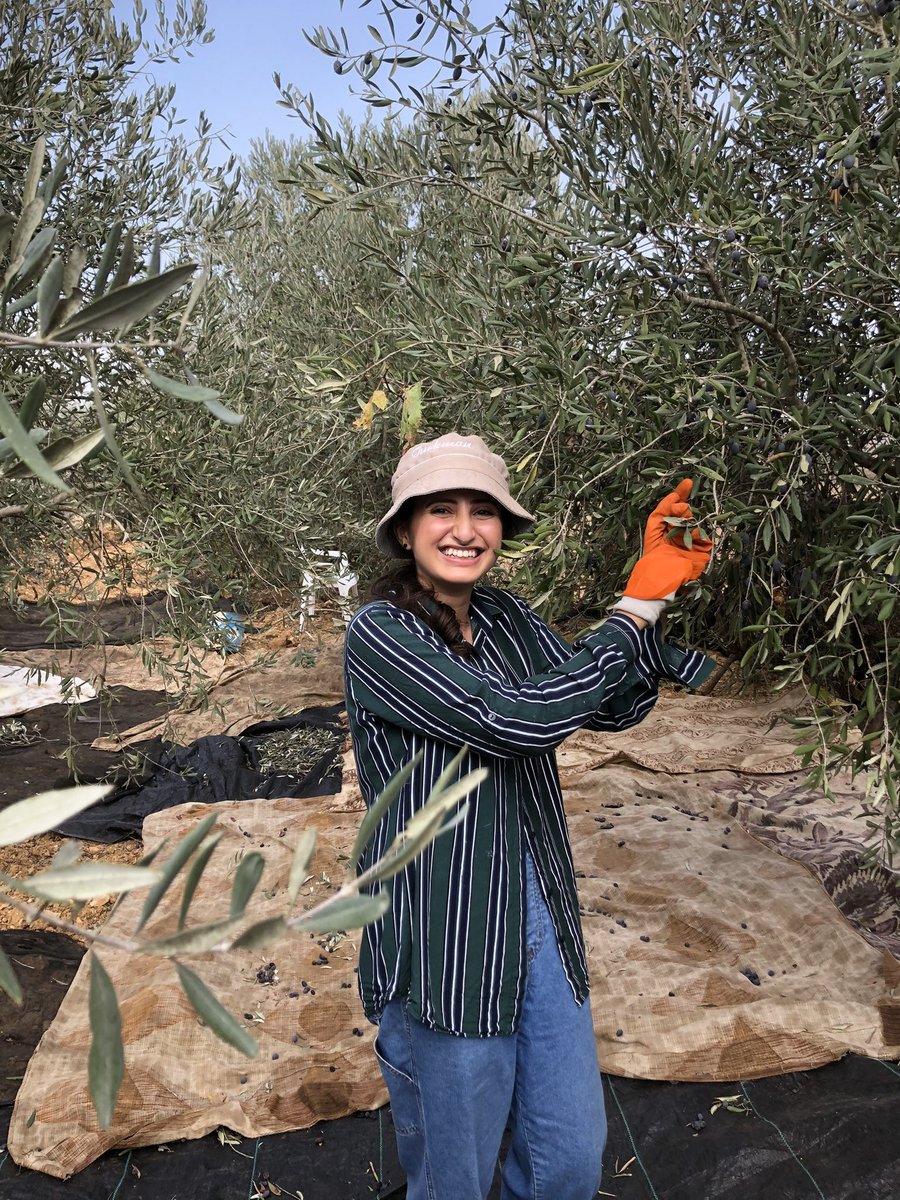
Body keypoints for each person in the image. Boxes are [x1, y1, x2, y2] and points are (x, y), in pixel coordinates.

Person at [344, 432, 714, 1200]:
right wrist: (633, 608)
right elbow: (511, 719)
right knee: (456, 1178)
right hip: (447, 936)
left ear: (501, 531)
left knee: (569, 1164)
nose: (463, 529)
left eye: (483, 512)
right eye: (440, 509)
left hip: (539, 910)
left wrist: (653, 599)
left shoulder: (506, 617)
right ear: (405, 529)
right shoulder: (380, 634)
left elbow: (608, 704)